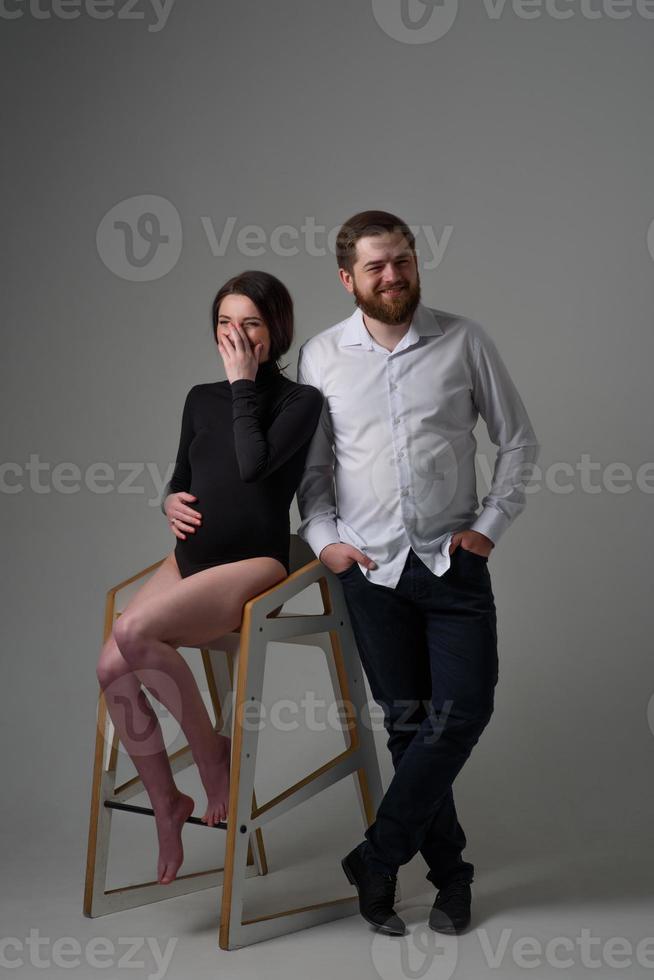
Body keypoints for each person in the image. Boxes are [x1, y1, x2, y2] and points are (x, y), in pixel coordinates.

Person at [296, 210, 540, 937]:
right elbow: (313, 472)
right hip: (369, 571)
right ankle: (452, 880)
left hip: (452, 563)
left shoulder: (465, 340)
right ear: (348, 279)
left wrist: (489, 528)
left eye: (401, 260)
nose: (393, 275)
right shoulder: (321, 356)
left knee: (463, 710)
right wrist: (325, 541)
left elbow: (518, 442)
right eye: (376, 266)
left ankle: (378, 857)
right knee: (408, 727)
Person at [96, 270, 323, 887]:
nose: (236, 336)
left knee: (135, 630)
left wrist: (244, 385)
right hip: (190, 556)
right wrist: (168, 501)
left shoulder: (300, 402)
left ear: (276, 329)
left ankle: (210, 753)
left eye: (250, 323)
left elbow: (253, 469)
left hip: (255, 561)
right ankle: (167, 800)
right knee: (111, 667)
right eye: (225, 324)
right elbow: (182, 474)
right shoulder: (200, 397)